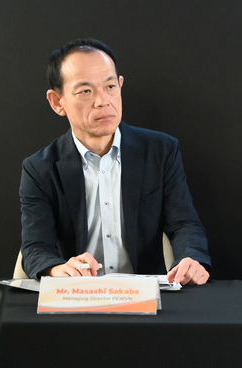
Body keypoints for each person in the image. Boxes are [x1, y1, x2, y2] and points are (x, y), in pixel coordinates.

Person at [20, 38, 211, 285]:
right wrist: (57, 269)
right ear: (58, 102)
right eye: (86, 91)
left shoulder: (160, 151)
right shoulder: (39, 169)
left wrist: (191, 259)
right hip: (77, 295)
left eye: (110, 86)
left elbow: (183, 224)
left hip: (146, 294)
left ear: (120, 86)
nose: (103, 101)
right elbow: (35, 247)